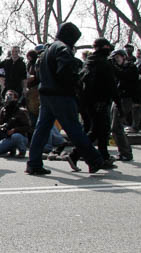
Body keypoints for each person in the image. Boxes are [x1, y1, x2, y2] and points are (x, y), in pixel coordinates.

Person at [25, 22, 106, 175]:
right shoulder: (63, 49)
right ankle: (94, 159)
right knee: (74, 129)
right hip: (60, 95)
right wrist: (76, 82)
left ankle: (33, 163)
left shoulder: (48, 49)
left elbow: (39, 72)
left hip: (46, 94)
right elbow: (65, 73)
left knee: (41, 130)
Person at [66, 38, 118, 170]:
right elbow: (111, 86)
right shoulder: (104, 63)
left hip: (87, 102)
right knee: (96, 131)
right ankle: (75, 155)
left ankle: (102, 157)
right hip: (99, 102)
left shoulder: (88, 62)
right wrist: (119, 105)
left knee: (100, 131)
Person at [110, 49, 136, 162]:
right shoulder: (119, 68)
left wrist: (113, 67)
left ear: (124, 57)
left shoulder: (130, 67)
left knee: (116, 126)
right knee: (116, 127)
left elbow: (123, 76)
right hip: (118, 99)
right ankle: (125, 151)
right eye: (114, 58)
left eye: (117, 57)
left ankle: (125, 152)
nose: (116, 60)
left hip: (126, 99)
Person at [0, 90, 32, 158]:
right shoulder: (3, 110)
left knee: (16, 136)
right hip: (8, 137)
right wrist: (2, 127)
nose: (8, 97)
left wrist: (14, 130)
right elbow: (0, 124)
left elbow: (28, 127)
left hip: (20, 136)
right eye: (6, 95)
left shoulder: (21, 111)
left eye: (10, 95)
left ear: (16, 98)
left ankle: (22, 150)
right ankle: (10, 148)